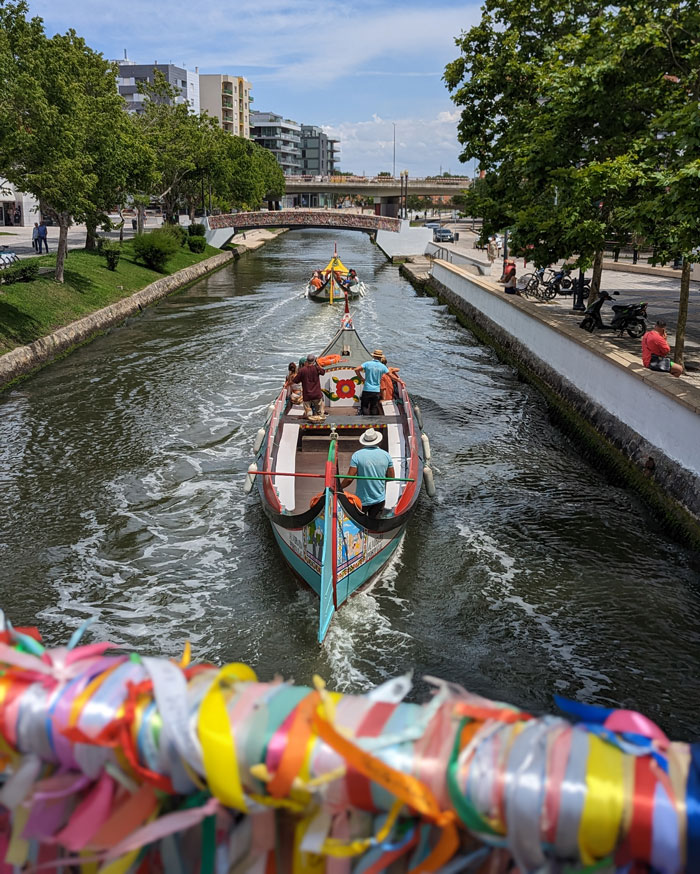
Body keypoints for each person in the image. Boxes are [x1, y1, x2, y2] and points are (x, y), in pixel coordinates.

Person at [339, 428, 395, 518]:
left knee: (360, 522)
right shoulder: (386, 455)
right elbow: (391, 477)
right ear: (377, 441)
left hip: (362, 500)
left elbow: (349, 478)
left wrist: (339, 487)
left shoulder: (357, 455)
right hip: (379, 499)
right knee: (374, 523)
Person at [355, 349, 389, 416]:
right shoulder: (383, 366)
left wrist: (361, 378)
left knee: (364, 406)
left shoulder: (367, 363)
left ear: (373, 356)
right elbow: (389, 374)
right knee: (374, 407)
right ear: (380, 358)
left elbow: (356, 369)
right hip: (376, 390)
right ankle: (373, 422)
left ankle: (365, 421)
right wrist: (399, 381)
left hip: (367, 389)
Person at [293, 353, 326, 421]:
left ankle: (309, 419)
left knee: (308, 413)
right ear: (314, 361)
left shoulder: (302, 370)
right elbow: (323, 372)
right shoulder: (316, 368)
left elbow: (295, 381)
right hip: (317, 394)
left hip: (307, 395)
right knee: (320, 413)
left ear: (307, 361)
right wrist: (317, 364)